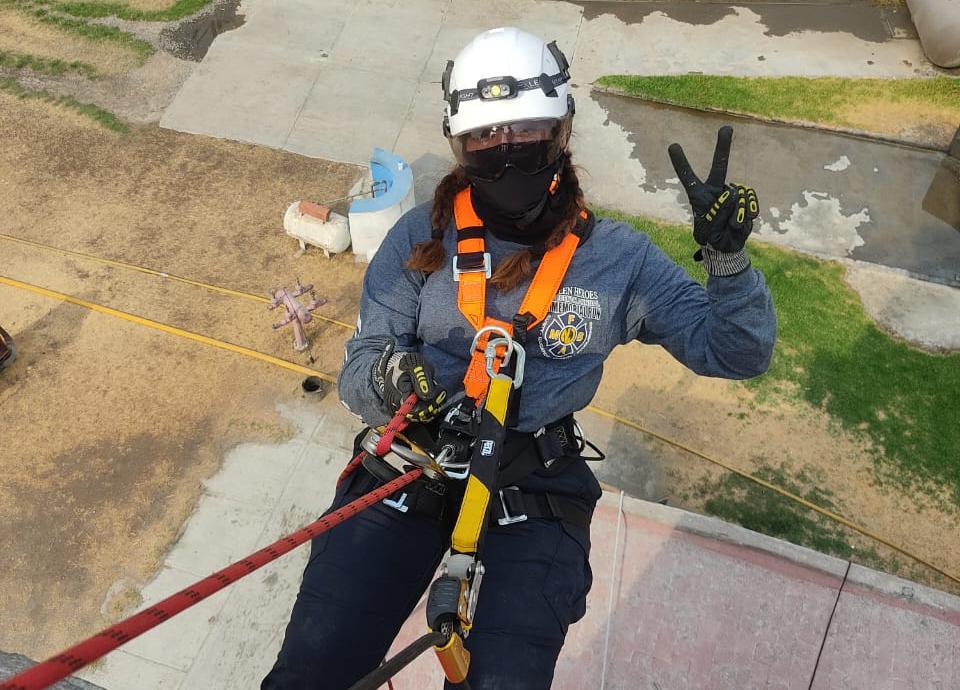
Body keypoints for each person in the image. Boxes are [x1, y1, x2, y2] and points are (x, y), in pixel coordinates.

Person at [264, 27, 776, 690]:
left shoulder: (618, 260)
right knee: (311, 674)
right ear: (458, 143)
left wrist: (729, 263)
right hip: (415, 462)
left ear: (562, 132)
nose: (506, 155)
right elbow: (361, 364)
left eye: (525, 133)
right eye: (484, 139)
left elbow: (736, 352)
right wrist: (391, 379)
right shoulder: (422, 237)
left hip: (530, 482)